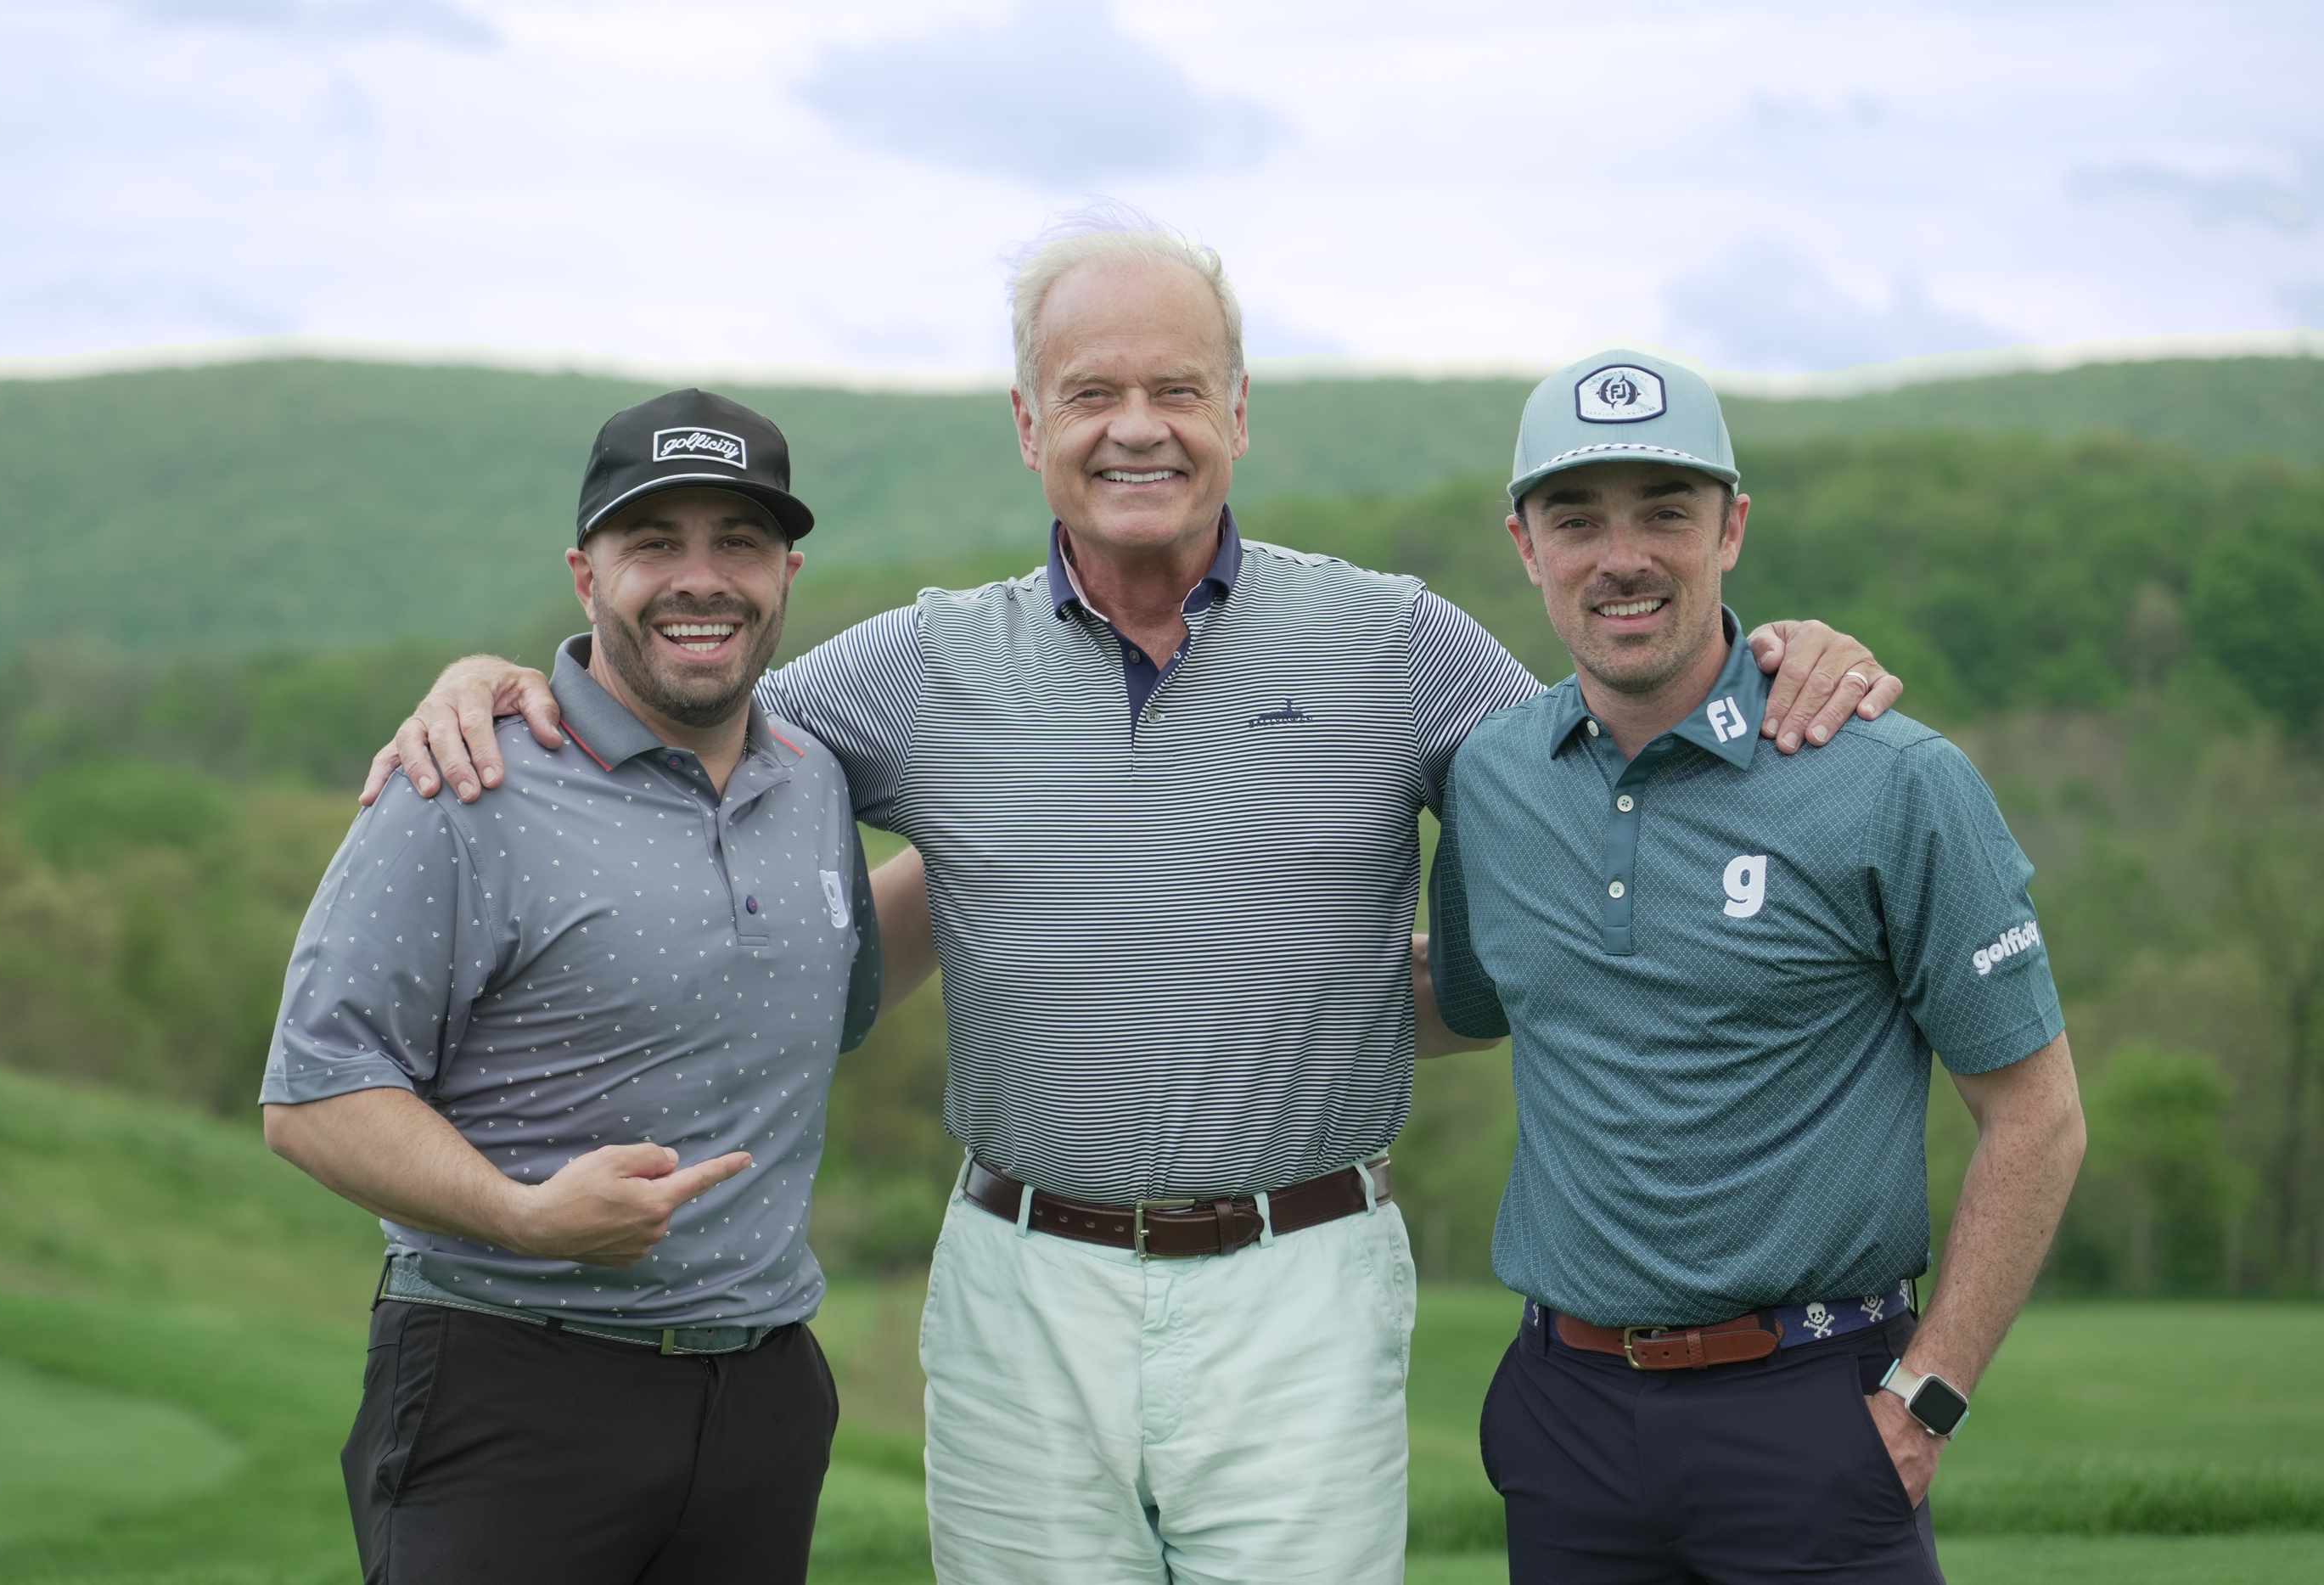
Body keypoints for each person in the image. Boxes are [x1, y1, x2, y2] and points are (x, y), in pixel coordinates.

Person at [366, 216, 1900, 1585]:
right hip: (1022, 1284)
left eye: (1176, 388)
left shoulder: (1395, 641)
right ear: (1030, 423)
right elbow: (689, 707)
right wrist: (501, 680)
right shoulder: (923, 662)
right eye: (1092, 393)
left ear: (1237, 413)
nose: (1136, 428)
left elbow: (1609, 750)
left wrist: (1777, 651)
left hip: (1302, 1283)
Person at [1430, 350, 2086, 1584]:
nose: (1621, 556)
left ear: (1731, 527)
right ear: (1526, 545)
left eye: (1665, 512)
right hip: (1564, 1417)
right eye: (1577, 518)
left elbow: (2037, 1116)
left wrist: (1926, 1398)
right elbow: (1463, 1000)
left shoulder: (1891, 778)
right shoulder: (1490, 777)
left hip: (1816, 1408)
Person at [260, 388, 883, 1585]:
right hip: (511, 1384)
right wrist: (525, 1213)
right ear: (585, 572)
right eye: (654, 541)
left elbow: (843, 992)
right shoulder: (464, 781)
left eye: (738, 541)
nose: (701, 577)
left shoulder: (811, 780)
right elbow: (315, 1094)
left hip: (764, 1398)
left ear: (788, 570)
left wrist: (1005, 871)